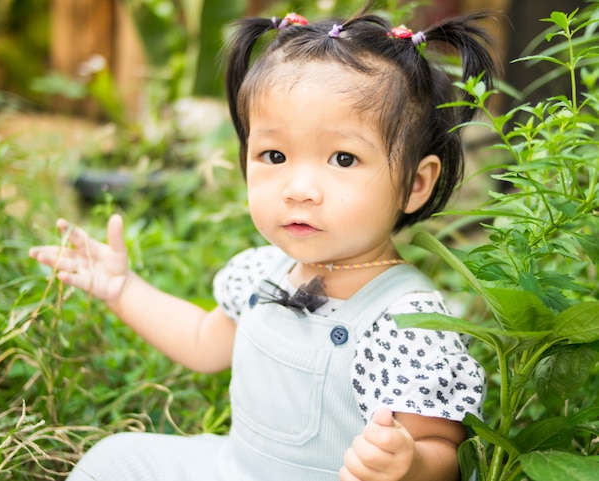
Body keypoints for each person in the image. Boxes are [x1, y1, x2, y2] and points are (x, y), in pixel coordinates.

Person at [29, 3, 497, 480]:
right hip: (236, 467)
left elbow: (440, 445)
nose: (298, 188)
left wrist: (409, 462)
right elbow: (201, 343)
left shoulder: (406, 320)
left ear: (416, 185)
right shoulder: (261, 272)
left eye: (342, 158)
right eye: (274, 154)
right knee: (114, 458)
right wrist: (122, 288)